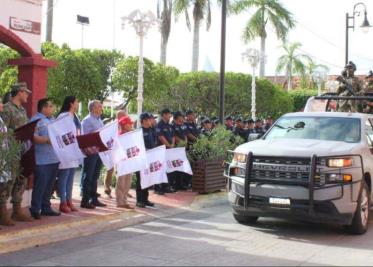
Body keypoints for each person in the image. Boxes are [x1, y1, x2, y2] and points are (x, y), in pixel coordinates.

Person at [0, 82, 33, 222]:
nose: (27, 95)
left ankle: (17, 209)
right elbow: (3, 131)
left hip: (23, 149)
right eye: (25, 92)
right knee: (10, 180)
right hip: (11, 150)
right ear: (19, 92)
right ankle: (2, 211)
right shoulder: (7, 109)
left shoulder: (22, 110)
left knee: (22, 178)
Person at [29, 98, 61, 219]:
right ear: (44, 108)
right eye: (51, 106)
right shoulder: (36, 120)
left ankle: (46, 207)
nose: (53, 108)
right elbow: (33, 137)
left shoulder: (53, 120)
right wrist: (47, 140)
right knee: (40, 185)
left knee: (49, 186)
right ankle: (35, 209)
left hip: (54, 158)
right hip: (42, 159)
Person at [56, 96, 80, 213]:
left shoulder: (74, 116)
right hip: (65, 151)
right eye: (77, 102)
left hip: (73, 150)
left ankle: (69, 200)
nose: (78, 103)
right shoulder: (63, 116)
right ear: (71, 103)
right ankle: (63, 202)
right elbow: (60, 134)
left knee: (70, 177)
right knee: (64, 177)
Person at [80, 100, 106, 209]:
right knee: (88, 176)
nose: (101, 108)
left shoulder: (99, 120)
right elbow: (84, 137)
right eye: (99, 106)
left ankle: (94, 199)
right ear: (93, 108)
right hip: (90, 152)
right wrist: (96, 133)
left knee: (95, 176)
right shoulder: (87, 120)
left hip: (98, 150)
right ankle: (85, 200)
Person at [104, 109, 127, 199]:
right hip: (111, 150)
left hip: (121, 150)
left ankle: (124, 190)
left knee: (122, 170)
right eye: (123, 115)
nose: (125, 117)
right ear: (118, 116)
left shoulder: (125, 125)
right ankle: (107, 188)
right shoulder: (111, 126)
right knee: (110, 169)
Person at [136, 112, 156, 208]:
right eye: (149, 119)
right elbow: (137, 146)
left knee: (147, 179)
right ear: (143, 121)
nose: (151, 121)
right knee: (141, 180)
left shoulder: (151, 130)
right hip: (141, 159)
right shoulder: (139, 131)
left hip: (150, 158)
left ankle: (145, 199)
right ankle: (139, 200)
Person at [115, 115, 135, 209]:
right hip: (121, 161)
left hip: (129, 161)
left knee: (128, 181)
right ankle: (120, 201)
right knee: (121, 181)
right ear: (124, 125)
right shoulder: (119, 135)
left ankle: (124, 200)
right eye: (129, 123)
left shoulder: (130, 134)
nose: (131, 125)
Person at [0, 98, 14, 226]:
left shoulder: (1, 119)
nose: (2, 105)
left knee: (3, 188)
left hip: (3, 158)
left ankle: (3, 216)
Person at [155, 108, 176, 194]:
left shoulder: (169, 125)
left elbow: (173, 136)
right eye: (168, 114)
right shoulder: (160, 125)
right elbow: (161, 137)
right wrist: (169, 145)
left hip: (169, 149)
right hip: (162, 150)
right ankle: (158, 188)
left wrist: (172, 145)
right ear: (164, 115)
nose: (170, 116)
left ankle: (166, 186)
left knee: (168, 168)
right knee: (160, 169)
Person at [172, 111, 188, 190]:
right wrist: (180, 142)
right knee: (175, 167)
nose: (183, 118)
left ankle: (180, 184)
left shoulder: (183, 125)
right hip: (176, 149)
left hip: (182, 149)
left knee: (182, 167)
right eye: (181, 116)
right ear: (177, 117)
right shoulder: (173, 126)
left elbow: (185, 135)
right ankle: (175, 184)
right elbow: (174, 136)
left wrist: (185, 142)